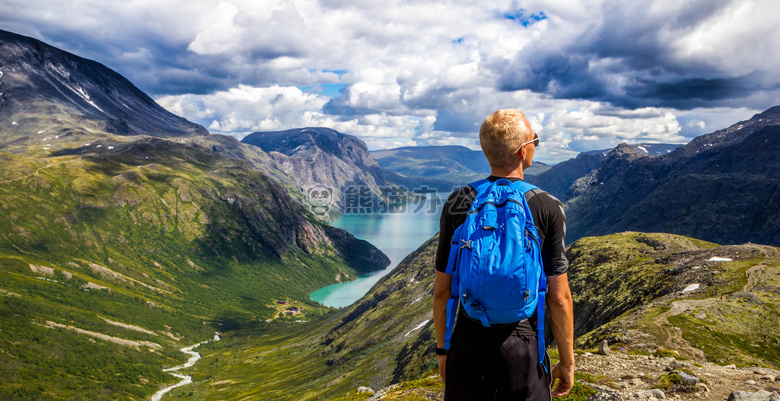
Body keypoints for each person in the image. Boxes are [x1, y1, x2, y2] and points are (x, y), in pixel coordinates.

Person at [433, 109, 575, 400]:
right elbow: (559, 297)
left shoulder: (459, 201)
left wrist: (444, 350)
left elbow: (442, 291)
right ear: (524, 151)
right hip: (522, 342)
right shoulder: (546, 205)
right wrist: (567, 362)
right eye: (535, 139)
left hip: (468, 337)